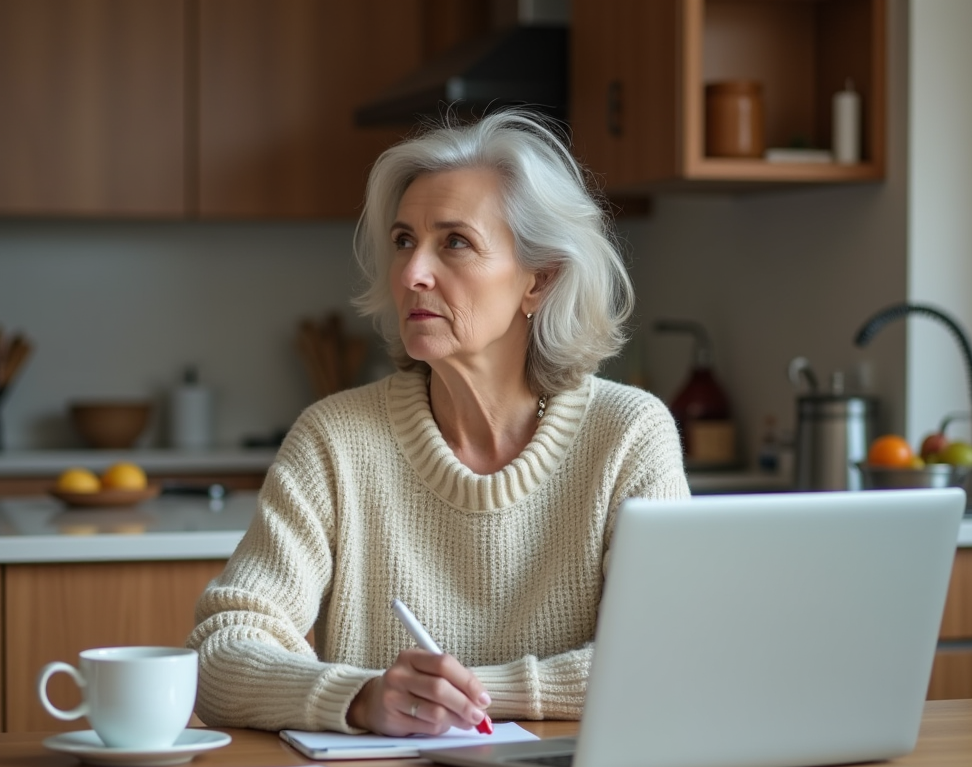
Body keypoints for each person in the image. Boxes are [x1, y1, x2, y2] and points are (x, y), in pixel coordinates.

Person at [186, 108, 689, 735]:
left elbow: (665, 659)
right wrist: (362, 697)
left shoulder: (629, 434)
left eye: (454, 242)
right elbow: (220, 652)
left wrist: (467, 695)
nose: (412, 273)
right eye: (403, 241)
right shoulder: (334, 439)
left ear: (540, 280)